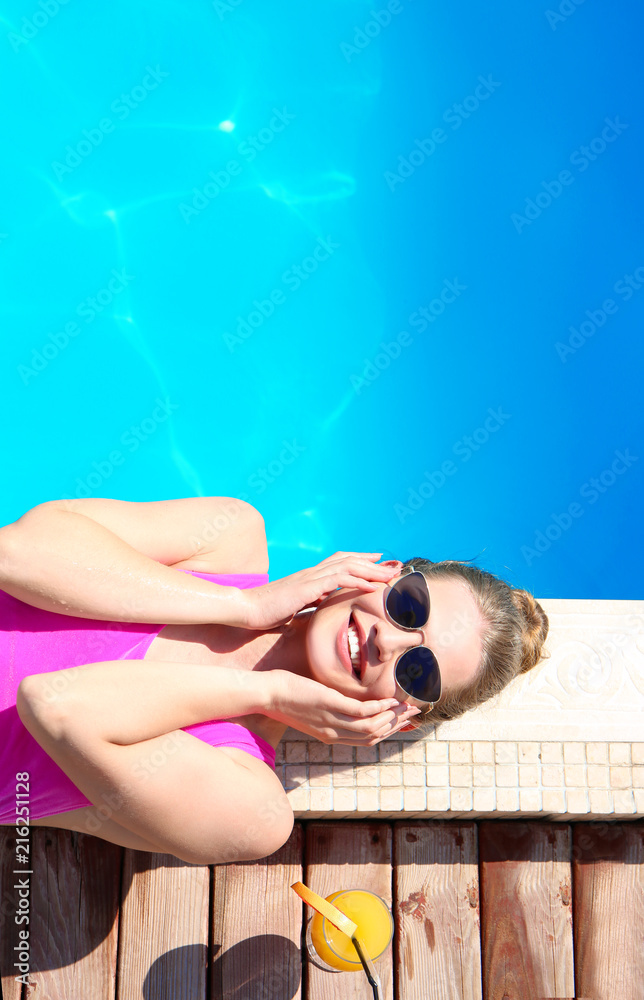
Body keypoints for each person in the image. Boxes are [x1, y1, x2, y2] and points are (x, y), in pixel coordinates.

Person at [0, 496, 549, 865]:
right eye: (410, 604)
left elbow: (55, 704)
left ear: (402, 720)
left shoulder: (251, 807)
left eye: (418, 670)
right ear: (389, 572)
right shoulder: (226, 541)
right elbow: (14, 550)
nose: (390, 641)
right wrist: (239, 604)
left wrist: (269, 692)